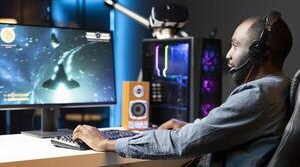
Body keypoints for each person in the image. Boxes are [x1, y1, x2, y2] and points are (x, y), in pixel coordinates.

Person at [72, 11, 293, 167]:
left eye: (235, 45)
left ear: (258, 53)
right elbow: (233, 131)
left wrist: (107, 142)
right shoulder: (280, 86)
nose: (228, 54)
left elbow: (182, 143)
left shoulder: (258, 94)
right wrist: (191, 127)